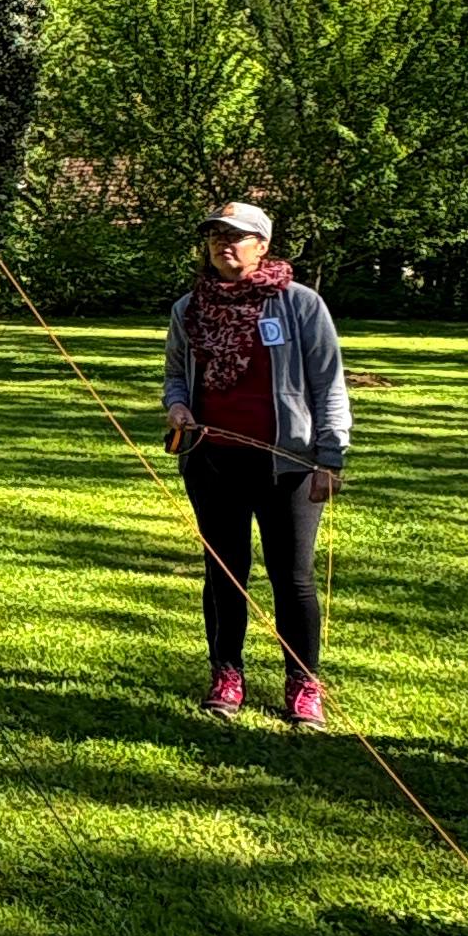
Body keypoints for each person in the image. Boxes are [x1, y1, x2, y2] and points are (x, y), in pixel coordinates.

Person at [161, 197, 348, 726]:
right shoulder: (188, 309)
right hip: (212, 462)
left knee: (293, 579)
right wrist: (177, 405)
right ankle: (226, 673)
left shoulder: (300, 304)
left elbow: (328, 384)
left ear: (262, 246)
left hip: (288, 464)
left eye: (237, 236)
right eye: (216, 235)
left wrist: (329, 456)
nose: (225, 244)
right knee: (224, 574)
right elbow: (176, 374)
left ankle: (303, 682)